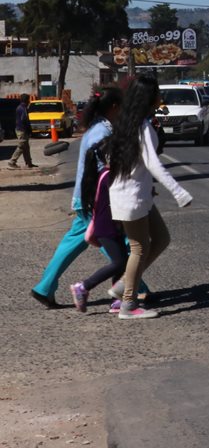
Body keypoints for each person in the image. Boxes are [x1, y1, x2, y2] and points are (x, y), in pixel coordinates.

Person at [29, 88, 148, 309]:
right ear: (114, 108)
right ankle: (134, 288)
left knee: (75, 242)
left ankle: (44, 288)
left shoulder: (99, 128)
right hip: (95, 198)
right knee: (115, 244)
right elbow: (106, 169)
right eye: (122, 108)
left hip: (85, 197)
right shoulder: (101, 133)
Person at [107, 75, 194, 320]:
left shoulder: (130, 123)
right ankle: (128, 305)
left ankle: (124, 285)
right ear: (148, 97)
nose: (160, 97)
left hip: (136, 195)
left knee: (161, 238)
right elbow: (153, 164)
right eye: (157, 92)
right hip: (131, 197)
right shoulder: (141, 127)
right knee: (139, 248)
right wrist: (179, 192)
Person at [69, 139, 128, 313]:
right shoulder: (109, 176)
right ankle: (83, 286)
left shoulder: (104, 173)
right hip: (106, 228)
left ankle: (116, 300)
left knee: (121, 261)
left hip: (111, 226)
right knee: (119, 262)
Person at [8, 93, 34, 169]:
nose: (29, 101)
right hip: (22, 130)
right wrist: (28, 129)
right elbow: (24, 119)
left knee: (26, 147)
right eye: (28, 99)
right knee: (22, 146)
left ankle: (28, 163)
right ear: (26, 100)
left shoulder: (22, 107)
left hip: (21, 129)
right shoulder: (22, 108)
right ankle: (12, 162)